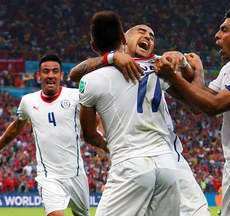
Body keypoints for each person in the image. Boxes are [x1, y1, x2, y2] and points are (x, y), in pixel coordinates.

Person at [70, 24, 210, 216]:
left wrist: (184, 62)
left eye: (152, 36)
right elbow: (75, 74)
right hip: (155, 162)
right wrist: (112, 56)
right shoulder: (112, 67)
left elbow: (196, 102)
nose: (148, 37)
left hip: (167, 159)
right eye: (142, 32)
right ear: (124, 40)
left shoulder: (159, 65)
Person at [155, 6, 230, 216]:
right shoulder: (229, 70)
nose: (217, 35)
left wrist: (174, 77)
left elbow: (213, 106)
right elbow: (198, 103)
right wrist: (168, 81)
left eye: (224, 30)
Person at [79, 10, 180, 216]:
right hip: (167, 165)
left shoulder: (90, 80)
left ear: (93, 46)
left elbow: (88, 134)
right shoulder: (156, 67)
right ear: (124, 39)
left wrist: (108, 148)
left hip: (130, 163)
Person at [0, 53, 90, 216]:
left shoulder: (75, 96)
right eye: (46, 71)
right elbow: (16, 127)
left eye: (55, 71)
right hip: (48, 175)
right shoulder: (28, 101)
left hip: (76, 173)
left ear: (61, 75)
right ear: (39, 75)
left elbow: (96, 119)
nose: (50, 75)